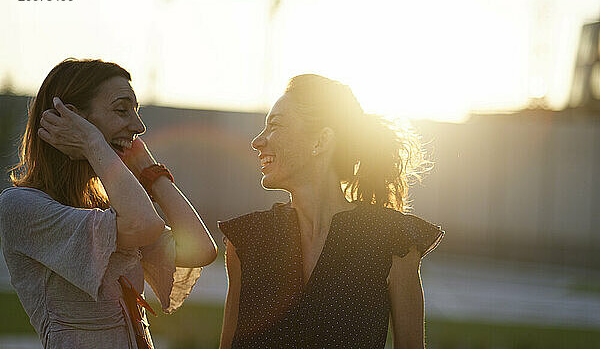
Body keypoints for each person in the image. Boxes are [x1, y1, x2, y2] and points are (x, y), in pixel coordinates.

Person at [0, 58, 217, 349]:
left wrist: (150, 169)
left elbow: (201, 249)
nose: (139, 126)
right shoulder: (21, 206)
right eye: (121, 109)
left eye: (136, 112)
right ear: (71, 117)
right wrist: (92, 140)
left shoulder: (107, 211)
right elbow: (146, 225)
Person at [218, 74, 444, 349]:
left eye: (274, 126)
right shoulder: (247, 239)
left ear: (321, 141)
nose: (257, 141)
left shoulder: (394, 241)